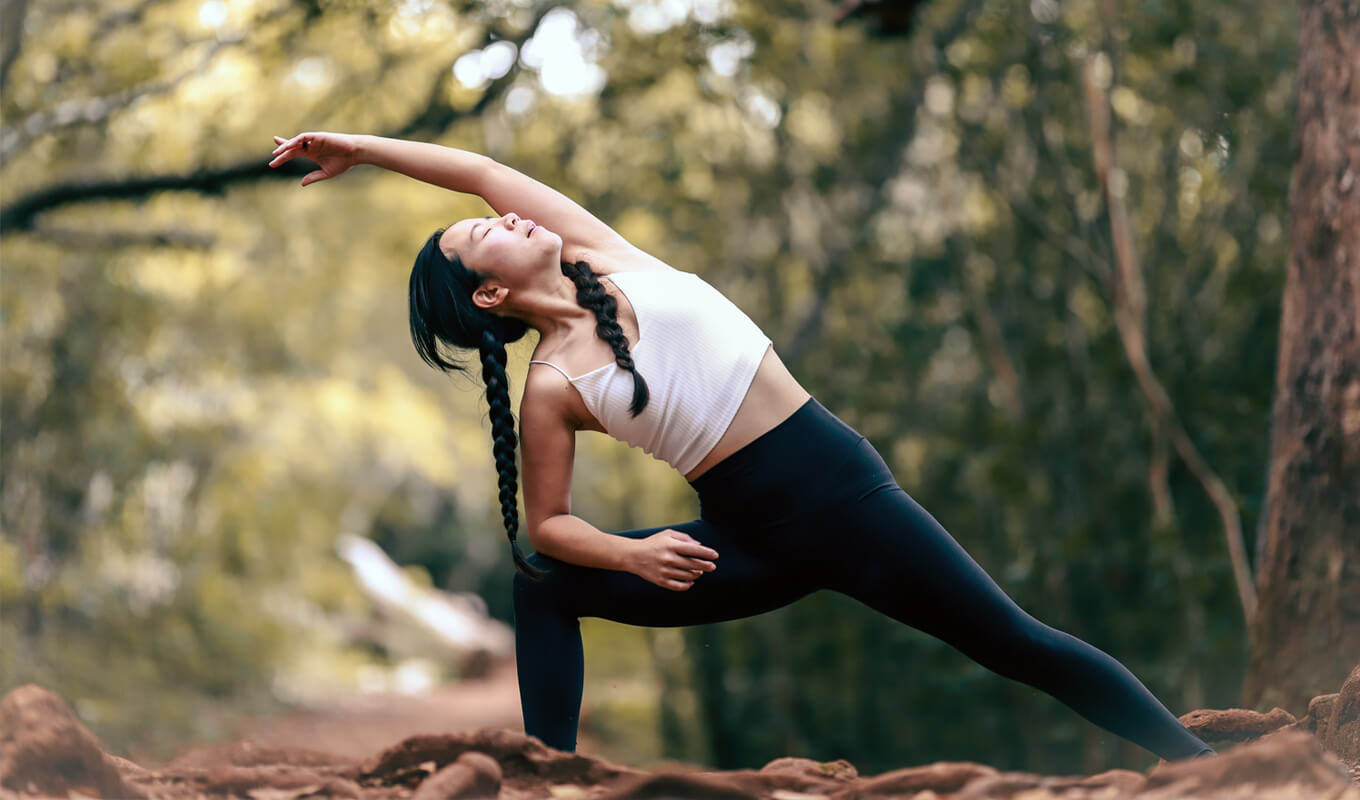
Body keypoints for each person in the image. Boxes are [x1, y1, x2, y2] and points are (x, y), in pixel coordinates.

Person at [268, 131, 1217, 763]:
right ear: (487, 296)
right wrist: (632, 551)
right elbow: (549, 527)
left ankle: (1213, 771)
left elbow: (474, 169)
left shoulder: (601, 254)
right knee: (539, 586)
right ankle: (544, 778)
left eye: (501, 215)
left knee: (1018, 644)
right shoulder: (552, 385)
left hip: (847, 500)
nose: (508, 213)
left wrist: (358, 147)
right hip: (747, 543)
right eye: (488, 235)